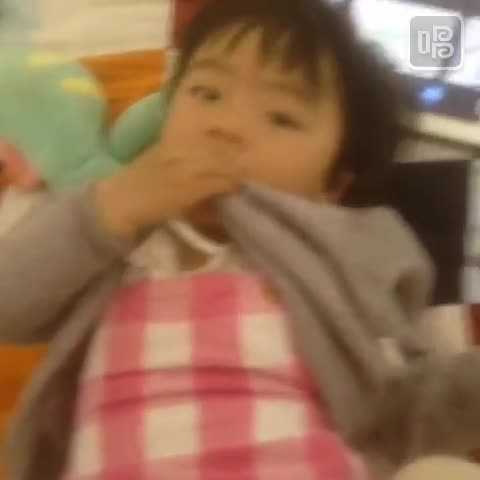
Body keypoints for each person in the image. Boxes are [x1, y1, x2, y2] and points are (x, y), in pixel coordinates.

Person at [0, 1, 420, 479]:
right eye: (206, 93)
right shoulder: (115, 222)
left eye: (281, 118)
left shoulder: (340, 244)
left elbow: (404, 377)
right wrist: (111, 206)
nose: (225, 126)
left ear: (333, 189)